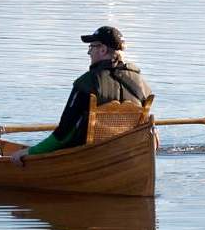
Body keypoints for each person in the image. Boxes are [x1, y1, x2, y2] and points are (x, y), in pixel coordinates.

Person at [11, 26, 153, 166]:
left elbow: (63, 135)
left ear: (103, 50)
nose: (89, 53)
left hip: (85, 159)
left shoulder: (86, 83)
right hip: (123, 158)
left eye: (92, 47)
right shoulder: (142, 84)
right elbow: (146, 128)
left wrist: (30, 152)